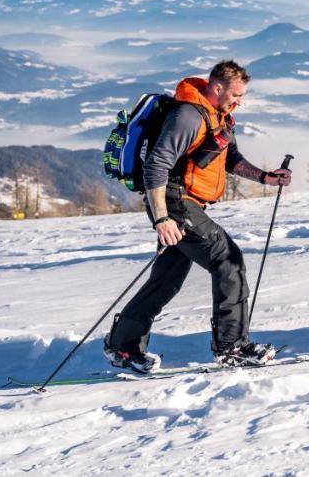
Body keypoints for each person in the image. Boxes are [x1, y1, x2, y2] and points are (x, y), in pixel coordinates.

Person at [103, 60, 292, 372]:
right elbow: (155, 166)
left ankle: (123, 346)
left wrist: (265, 178)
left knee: (167, 279)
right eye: (236, 95)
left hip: (186, 203)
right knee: (227, 259)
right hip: (175, 202)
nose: (239, 102)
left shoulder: (220, 116)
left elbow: (230, 158)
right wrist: (162, 219)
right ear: (217, 88)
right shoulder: (188, 116)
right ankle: (232, 346)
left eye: (243, 96)